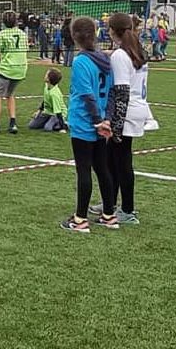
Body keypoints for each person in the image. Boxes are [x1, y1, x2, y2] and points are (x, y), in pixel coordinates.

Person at [60, 17, 117, 233]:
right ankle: (109, 215)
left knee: (84, 170)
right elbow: (111, 92)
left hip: (86, 123)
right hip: (101, 122)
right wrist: (107, 119)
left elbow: (86, 94)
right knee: (102, 169)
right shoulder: (104, 59)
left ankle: (80, 219)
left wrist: (97, 121)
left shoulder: (81, 61)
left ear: (75, 37)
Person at [94, 13, 149, 225]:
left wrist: (115, 125)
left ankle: (127, 210)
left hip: (125, 113)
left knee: (121, 162)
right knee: (114, 160)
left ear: (113, 31)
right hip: (138, 109)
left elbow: (122, 92)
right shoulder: (136, 51)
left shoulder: (121, 55)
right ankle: (111, 203)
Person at [0, 11, 27, 134]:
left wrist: (1, 58)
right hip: (21, 68)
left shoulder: (1, 34)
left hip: (7, 68)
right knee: (10, 94)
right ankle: (13, 123)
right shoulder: (22, 34)